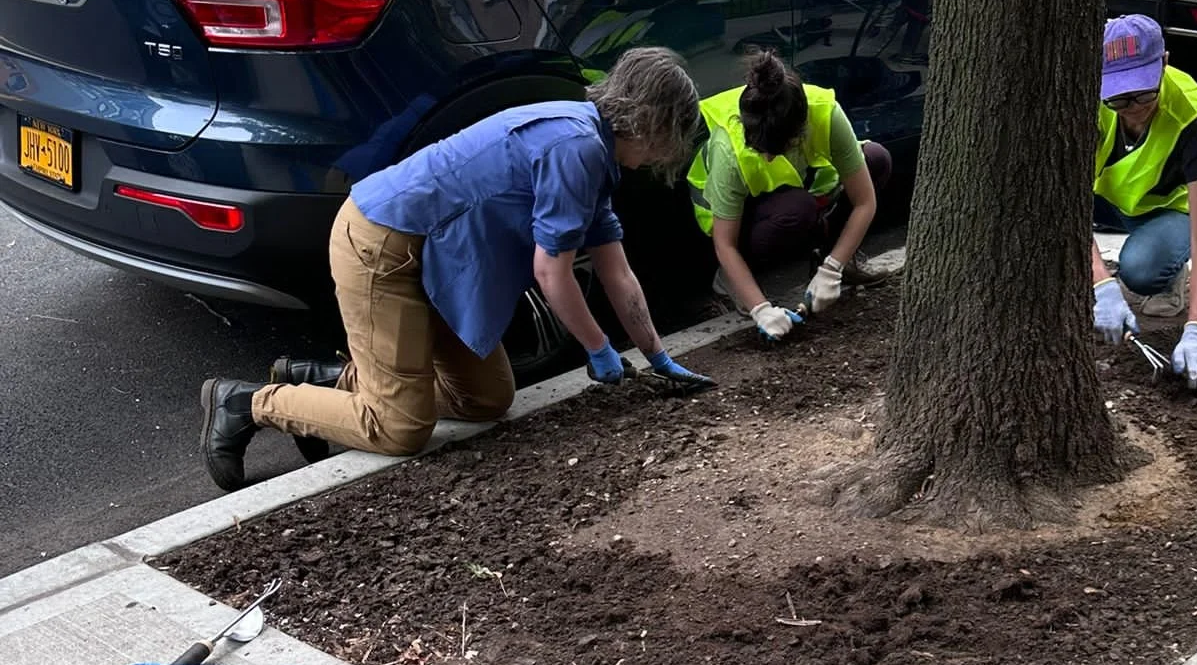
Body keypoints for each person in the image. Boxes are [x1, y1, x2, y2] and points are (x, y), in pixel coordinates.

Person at [199, 47, 713, 492]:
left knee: (485, 398)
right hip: (382, 244)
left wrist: (658, 356)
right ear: (654, 123)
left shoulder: (590, 145)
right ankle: (248, 402)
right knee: (399, 428)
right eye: (674, 135)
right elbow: (551, 272)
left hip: (432, 254)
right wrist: (597, 348)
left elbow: (616, 270)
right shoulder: (574, 147)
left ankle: (327, 380)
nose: (668, 152)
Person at [1089, 14, 1197, 398]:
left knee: (1141, 270)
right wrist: (1102, 283)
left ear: (1164, 62)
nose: (1133, 107)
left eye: (1144, 94)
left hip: (1167, 210)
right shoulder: (1090, 102)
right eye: (1119, 97)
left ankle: (1170, 273)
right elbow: (1062, 211)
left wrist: (1196, 332)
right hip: (1106, 199)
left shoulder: (1192, 113)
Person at [687, 49, 891, 341]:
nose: (768, 158)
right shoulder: (728, 147)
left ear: (800, 132)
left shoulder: (824, 113)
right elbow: (725, 243)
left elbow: (864, 201)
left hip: (798, 190)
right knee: (796, 209)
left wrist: (833, 268)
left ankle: (836, 258)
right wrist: (760, 309)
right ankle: (730, 280)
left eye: (776, 150)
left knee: (875, 158)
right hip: (740, 220)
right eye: (760, 150)